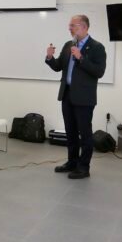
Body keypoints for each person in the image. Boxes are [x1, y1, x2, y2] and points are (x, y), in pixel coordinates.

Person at [45, 14, 107, 179]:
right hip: (67, 95)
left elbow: (99, 72)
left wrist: (81, 58)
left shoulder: (97, 47)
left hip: (84, 98)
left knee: (85, 134)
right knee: (70, 132)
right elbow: (58, 66)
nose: (70, 28)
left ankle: (83, 167)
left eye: (73, 25)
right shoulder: (68, 45)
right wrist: (50, 58)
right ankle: (72, 162)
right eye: (70, 25)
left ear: (84, 27)